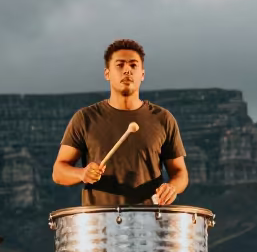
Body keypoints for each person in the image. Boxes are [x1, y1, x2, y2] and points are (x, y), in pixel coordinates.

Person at [52, 39, 188, 206]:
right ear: (107, 73)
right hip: (99, 220)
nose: (127, 71)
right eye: (120, 65)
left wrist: (172, 188)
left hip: (150, 218)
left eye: (133, 65)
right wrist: (82, 174)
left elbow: (180, 172)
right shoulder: (85, 118)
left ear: (142, 74)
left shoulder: (163, 118)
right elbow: (58, 172)